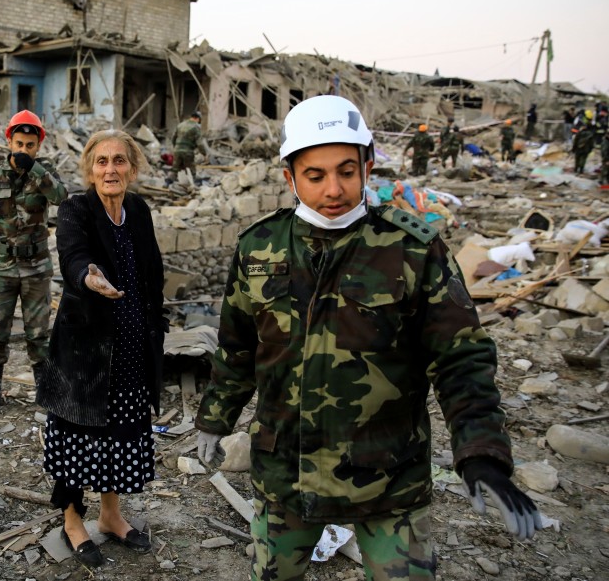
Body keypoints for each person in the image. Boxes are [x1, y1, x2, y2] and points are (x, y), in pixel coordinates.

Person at [194, 95, 540, 581]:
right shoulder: (259, 246)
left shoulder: (413, 250)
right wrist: (215, 418)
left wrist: (481, 452)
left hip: (387, 476)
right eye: (315, 175)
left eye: (347, 171)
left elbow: (463, 359)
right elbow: (237, 346)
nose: (333, 189)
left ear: (369, 166)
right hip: (284, 472)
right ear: (290, 177)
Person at [35, 130, 166, 568]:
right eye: (102, 162)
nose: (111, 169)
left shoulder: (139, 210)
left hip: (130, 348)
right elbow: (72, 256)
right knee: (77, 435)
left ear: (133, 166)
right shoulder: (76, 208)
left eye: (119, 161)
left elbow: (154, 274)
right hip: (85, 352)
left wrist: (157, 329)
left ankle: (111, 516)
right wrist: (88, 277)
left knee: (121, 433)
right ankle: (74, 521)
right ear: (90, 169)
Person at [0, 110, 66, 413]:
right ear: (9, 141)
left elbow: (61, 197)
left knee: (38, 334)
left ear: (39, 146)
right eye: (19, 144)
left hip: (36, 268)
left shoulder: (45, 172)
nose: (24, 150)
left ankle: (44, 390)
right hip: (1, 267)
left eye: (30, 145)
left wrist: (34, 169)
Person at [170, 110, 208, 182]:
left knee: (175, 169)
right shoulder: (196, 127)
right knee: (191, 170)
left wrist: (176, 148)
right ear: (198, 118)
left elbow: (173, 138)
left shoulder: (180, 125)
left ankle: (167, 183)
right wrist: (204, 154)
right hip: (187, 152)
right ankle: (192, 186)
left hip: (177, 151)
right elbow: (199, 143)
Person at [571, 109, 597, 175]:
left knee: (579, 158)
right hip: (581, 141)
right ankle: (579, 169)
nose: (589, 120)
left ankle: (578, 169)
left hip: (582, 143)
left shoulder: (590, 124)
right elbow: (574, 130)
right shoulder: (579, 120)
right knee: (581, 158)